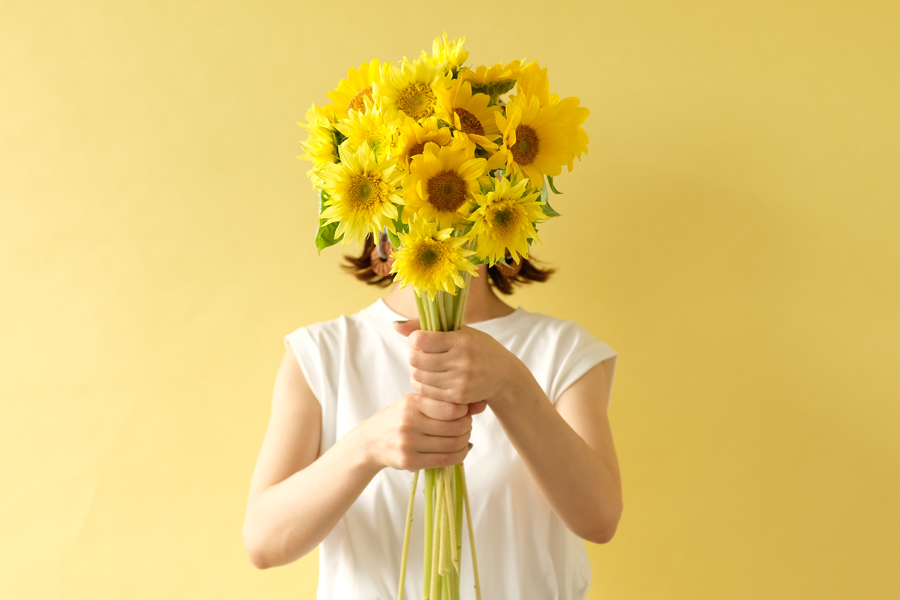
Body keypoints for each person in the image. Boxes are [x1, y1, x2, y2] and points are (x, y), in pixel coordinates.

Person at [242, 233, 622, 600]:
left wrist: (511, 384)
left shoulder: (564, 350)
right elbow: (264, 542)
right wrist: (366, 446)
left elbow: (599, 520)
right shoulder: (323, 352)